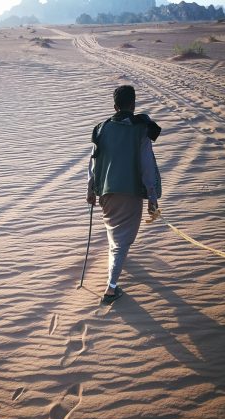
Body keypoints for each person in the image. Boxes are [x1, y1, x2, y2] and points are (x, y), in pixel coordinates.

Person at [86, 85, 161, 304]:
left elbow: (93, 162)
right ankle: (110, 288)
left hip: (107, 193)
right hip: (130, 194)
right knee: (121, 242)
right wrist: (153, 198)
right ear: (133, 104)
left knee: (116, 236)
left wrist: (90, 189)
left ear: (115, 106)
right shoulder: (141, 129)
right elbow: (147, 166)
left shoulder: (101, 128)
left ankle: (116, 264)